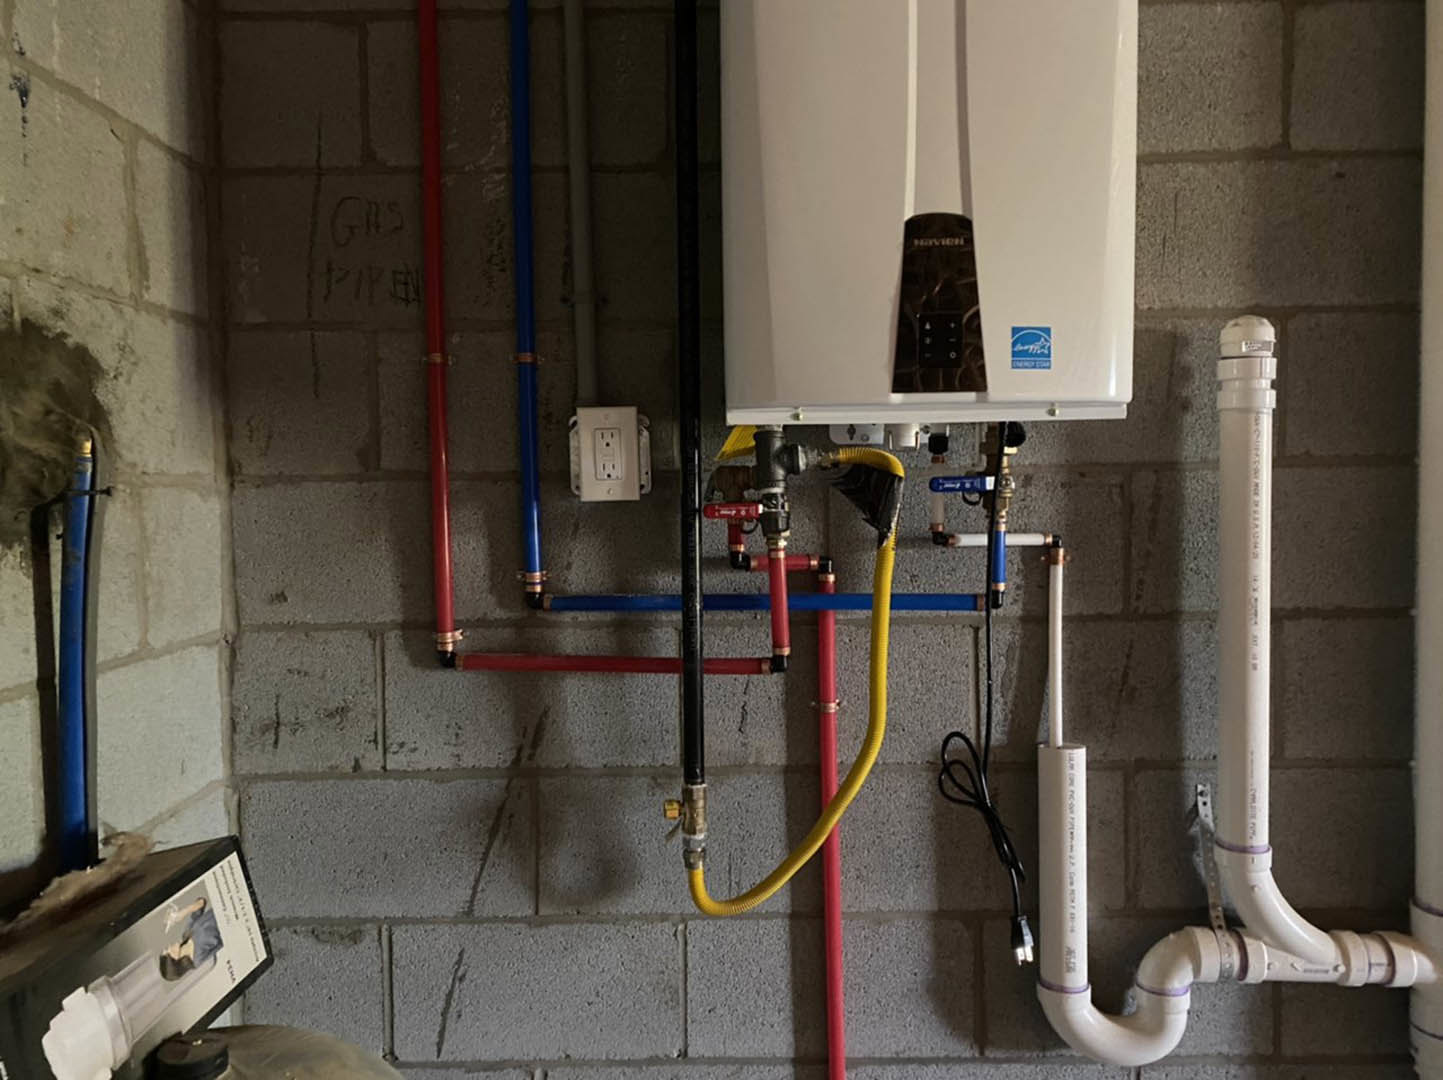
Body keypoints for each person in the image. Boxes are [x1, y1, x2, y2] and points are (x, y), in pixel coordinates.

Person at [158, 897, 222, 982]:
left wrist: (183, 913)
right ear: (175, 959)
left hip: (225, 901)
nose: (169, 947)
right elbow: (223, 935)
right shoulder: (198, 957)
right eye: (168, 951)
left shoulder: (186, 935)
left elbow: (201, 902)